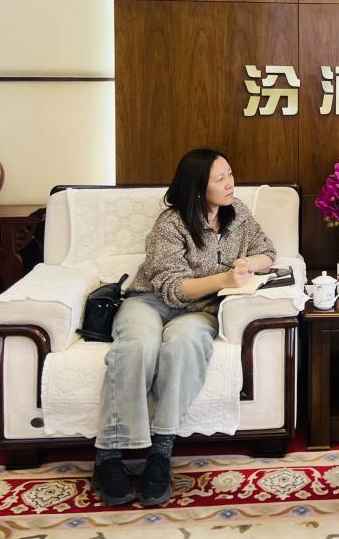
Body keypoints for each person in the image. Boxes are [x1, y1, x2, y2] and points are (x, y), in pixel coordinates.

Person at [92, 149, 275, 506]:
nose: (230, 183)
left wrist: (247, 263)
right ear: (197, 187)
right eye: (220, 178)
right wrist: (224, 278)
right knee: (137, 345)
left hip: (200, 311)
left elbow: (267, 251)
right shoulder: (171, 224)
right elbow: (171, 288)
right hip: (150, 301)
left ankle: (160, 453)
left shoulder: (238, 214)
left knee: (183, 345)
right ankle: (109, 456)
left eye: (230, 174)